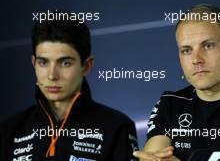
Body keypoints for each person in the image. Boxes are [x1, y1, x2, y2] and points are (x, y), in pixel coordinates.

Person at [133, 4, 220, 161]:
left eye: (208, 46)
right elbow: (153, 159)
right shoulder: (170, 104)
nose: (196, 60)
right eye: (187, 50)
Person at [0, 13, 138, 161]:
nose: (52, 75)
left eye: (65, 63)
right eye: (43, 62)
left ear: (86, 66)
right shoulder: (8, 130)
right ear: (34, 63)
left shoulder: (117, 127)